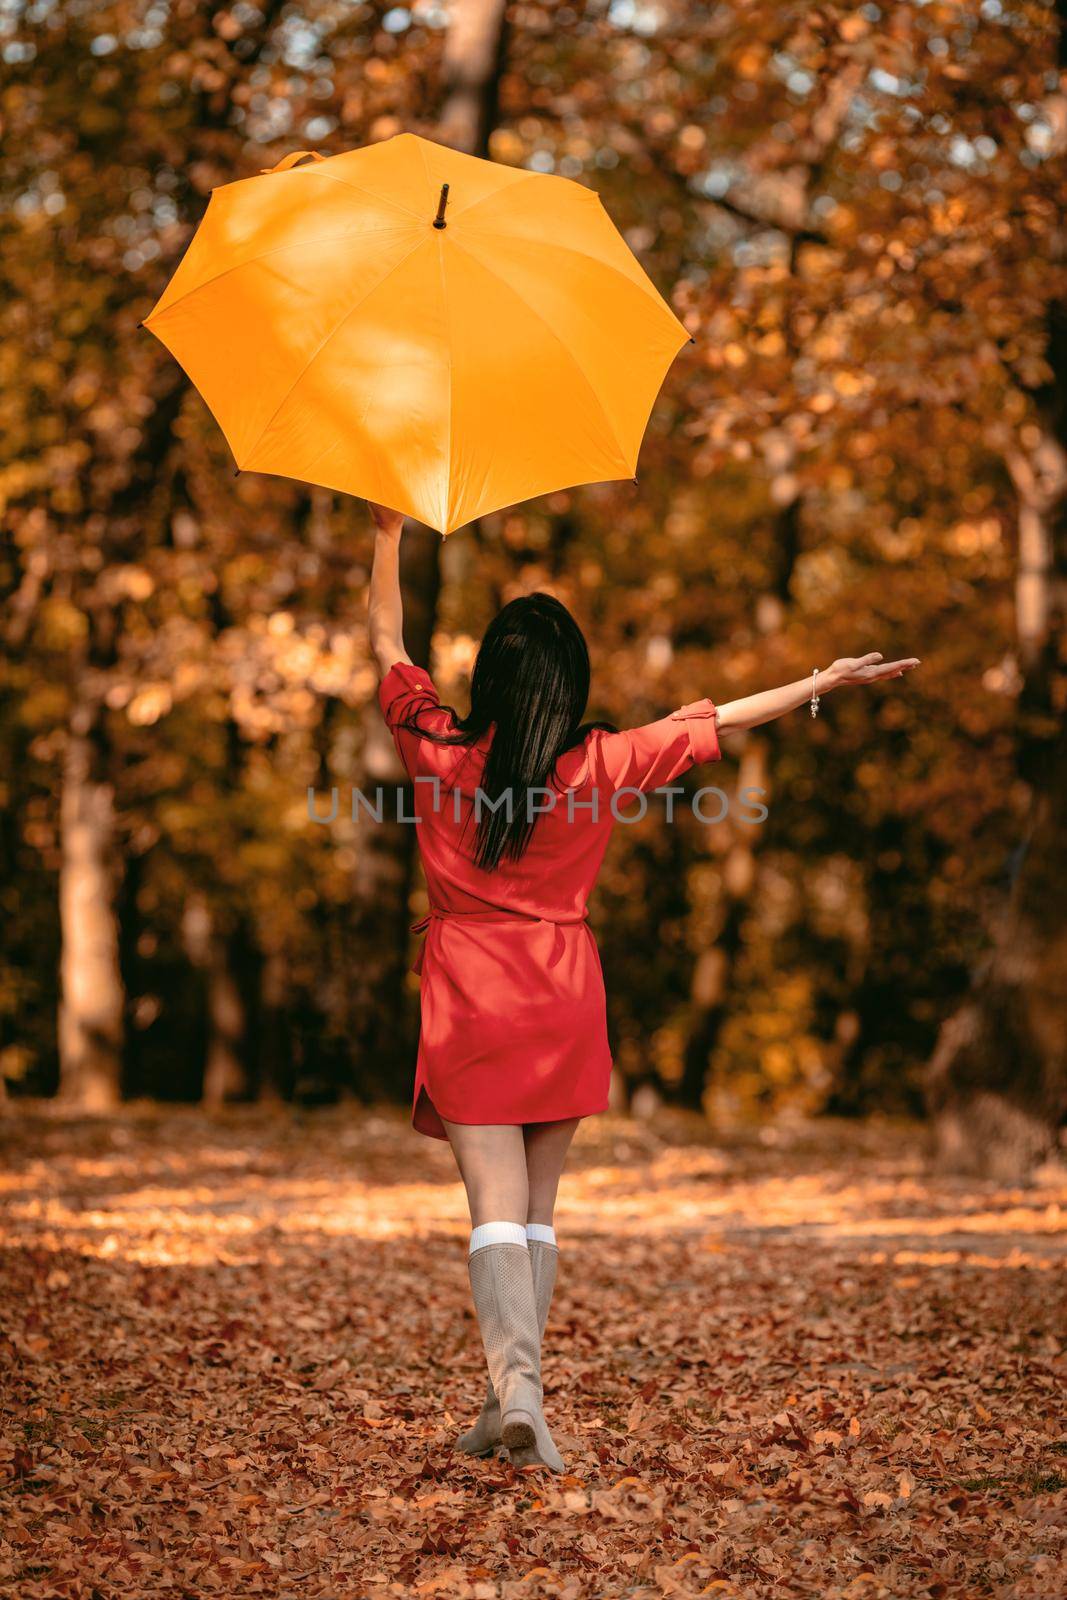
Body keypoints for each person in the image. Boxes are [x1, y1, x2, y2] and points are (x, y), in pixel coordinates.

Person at [367, 500, 919, 1472]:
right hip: (562, 1000)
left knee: (493, 1211)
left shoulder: (436, 751)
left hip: (470, 1002)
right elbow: (707, 719)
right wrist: (820, 681)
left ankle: (518, 1395)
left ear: (491, 677)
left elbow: (385, 640)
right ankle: (511, 1396)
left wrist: (384, 537)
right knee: (535, 1213)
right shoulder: (598, 764)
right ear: (567, 684)